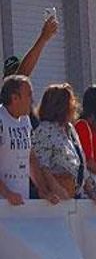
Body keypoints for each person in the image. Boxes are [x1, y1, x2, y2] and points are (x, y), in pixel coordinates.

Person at [31, 83, 96, 206]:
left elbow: (81, 165)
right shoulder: (44, 130)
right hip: (56, 200)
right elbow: (42, 165)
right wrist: (57, 188)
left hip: (75, 197)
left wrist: (93, 193)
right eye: (71, 102)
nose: (75, 106)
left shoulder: (70, 129)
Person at [0, 75, 57, 205]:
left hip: (21, 201)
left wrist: (43, 190)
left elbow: (30, 158)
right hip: (3, 204)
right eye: (29, 95)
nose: (32, 101)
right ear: (14, 98)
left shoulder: (25, 120)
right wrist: (7, 194)